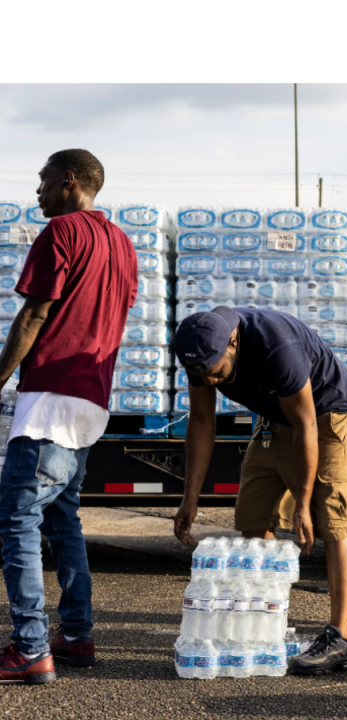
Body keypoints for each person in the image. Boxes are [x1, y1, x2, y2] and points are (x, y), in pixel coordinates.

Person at [0, 150, 138, 684]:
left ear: (69, 180)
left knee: (17, 518)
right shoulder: (122, 244)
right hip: (91, 401)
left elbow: (35, 313)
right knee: (63, 518)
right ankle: (76, 636)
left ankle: (31, 647)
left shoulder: (60, 234)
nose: (37, 192)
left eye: (42, 181)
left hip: (49, 399)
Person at [173, 306, 347, 675]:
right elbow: (200, 421)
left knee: (333, 520)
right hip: (275, 417)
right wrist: (189, 497)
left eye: (215, 373)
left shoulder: (277, 348)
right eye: (200, 375)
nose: (210, 382)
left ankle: (342, 637)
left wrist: (303, 504)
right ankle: (264, 622)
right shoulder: (199, 350)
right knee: (253, 516)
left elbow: (306, 424)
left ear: (232, 342)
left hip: (326, 414)